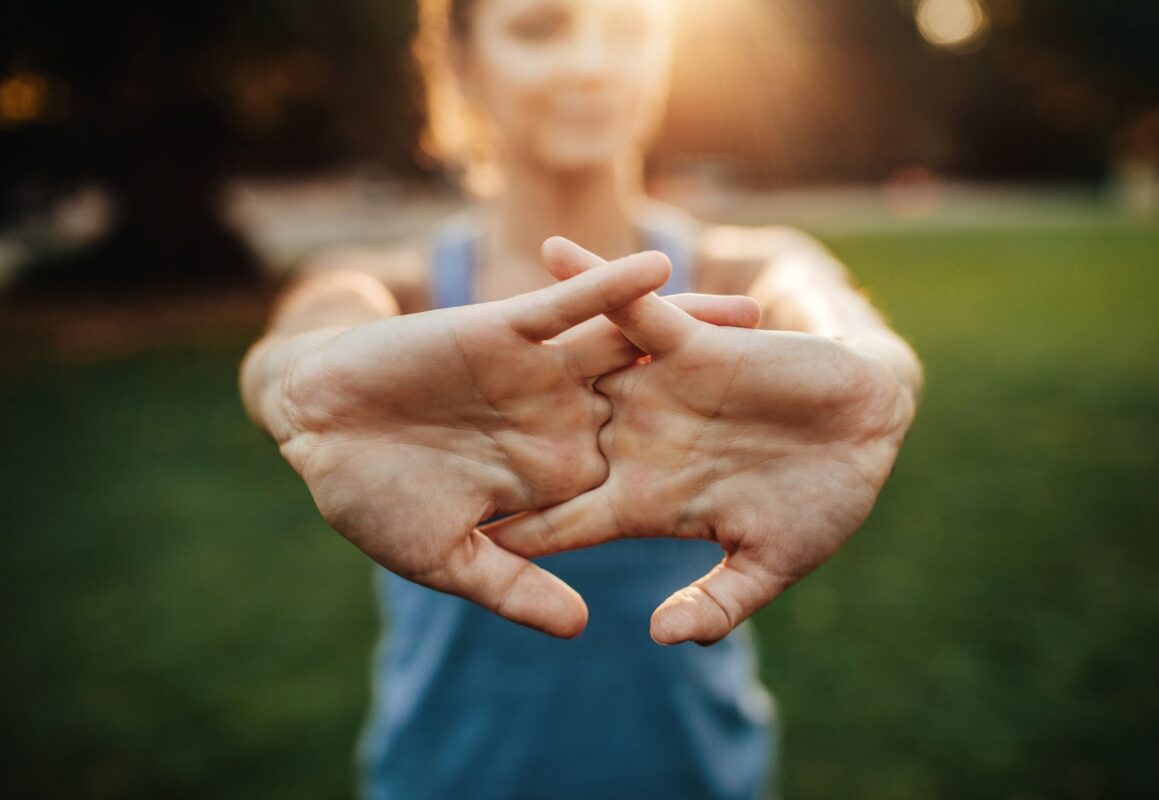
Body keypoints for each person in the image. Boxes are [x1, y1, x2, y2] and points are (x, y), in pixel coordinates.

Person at [238, 0, 923, 797]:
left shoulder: (747, 270)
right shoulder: (392, 285)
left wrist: (878, 375)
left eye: (629, 28)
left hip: (696, 775)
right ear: (460, 63)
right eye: (540, 27)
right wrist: (297, 387)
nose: (593, 64)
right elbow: (308, 340)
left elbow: (835, 322)